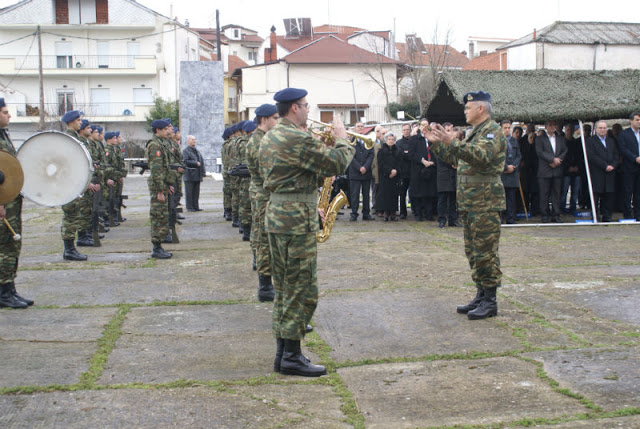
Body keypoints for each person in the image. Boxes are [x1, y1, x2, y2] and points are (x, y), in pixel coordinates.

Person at [259, 87, 354, 377]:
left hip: (280, 213)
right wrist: (342, 140)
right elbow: (336, 162)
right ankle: (291, 356)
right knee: (302, 288)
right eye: (305, 105)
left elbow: (288, 176)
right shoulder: (295, 137)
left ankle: (282, 354)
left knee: (286, 287)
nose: (308, 109)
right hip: (294, 221)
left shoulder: (271, 136)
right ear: (294, 109)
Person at [425, 91, 506, 320]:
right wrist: (439, 145)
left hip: (485, 202)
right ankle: (481, 294)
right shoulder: (476, 132)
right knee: (473, 251)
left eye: (468, 108)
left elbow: (481, 157)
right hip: (471, 203)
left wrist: (453, 142)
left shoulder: (493, 131)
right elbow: (459, 159)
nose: (465, 112)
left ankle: (490, 300)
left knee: (485, 252)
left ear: (481, 109)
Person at [0, 98, 33, 308]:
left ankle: (9, 288)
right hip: (2, 202)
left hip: (10, 200)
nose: (9, 115)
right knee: (4, 246)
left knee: (12, 244)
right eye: (4, 112)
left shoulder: (3, 135)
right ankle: (3, 292)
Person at [246, 103, 278, 302]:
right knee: (264, 239)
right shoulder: (258, 142)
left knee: (262, 237)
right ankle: (265, 286)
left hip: (264, 194)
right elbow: (270, 173)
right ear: (264, 119)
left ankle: (265, 280)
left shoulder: (263, 139)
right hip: (264, 196)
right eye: (275, 118)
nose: (278, 121)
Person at [60, 111, 91, 260]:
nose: (81, 122)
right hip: (69, 183)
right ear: (71, 122)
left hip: (76, 182)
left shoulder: (75, 138)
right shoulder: (67, 139)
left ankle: (71, 248)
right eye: (78, 120)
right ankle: (69, 249)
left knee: (74, 215)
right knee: (70, 216)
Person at [146, 119, 175, 259]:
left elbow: (164, 168)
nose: (167, 131)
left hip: (162, 185)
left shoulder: (160, 144)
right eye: (164, 129)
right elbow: (156, 170)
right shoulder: (155, 146)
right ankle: (156, 248)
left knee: (163, 216)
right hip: (158, 187)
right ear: (157, 130)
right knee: (158, 216)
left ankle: (159, 245)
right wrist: (160, 190)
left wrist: (167, 185)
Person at [586, 121, 619, 222]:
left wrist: (613, 165)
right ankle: (596, 217)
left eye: (604, 128)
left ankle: (607, 216)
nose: (602, 130)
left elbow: (616, 154)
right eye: (600, 128)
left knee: (608, 196)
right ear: (596, 129)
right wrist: (605, 166)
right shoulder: (590, 141)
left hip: (610, 173)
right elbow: (592, 156)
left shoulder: (611, 141)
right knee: (596, 195)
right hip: (597, 172)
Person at [535, 120, 567, 223]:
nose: (552, 127)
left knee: (556, 194)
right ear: (546, 127)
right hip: (545, 170)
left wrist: (558, 160)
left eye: (554, 125)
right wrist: (552, 159)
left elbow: (564, 150)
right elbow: (540, 152)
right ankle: (544, 215)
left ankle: (556, 215)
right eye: (550, 125)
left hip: (557, 170)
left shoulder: (560, 138)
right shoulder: (540, 139)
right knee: (544, 194)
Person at [410, 119, 437, 221]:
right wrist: (422, 161)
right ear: (419, 126)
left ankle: (428, 214)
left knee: (429, 193)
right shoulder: (414, 139)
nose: (425, 126)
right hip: (418, 169)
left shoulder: (432, 139)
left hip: (431, 168)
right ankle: (418, 214)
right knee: (418, 194)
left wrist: (432, 161)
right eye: (423, 125)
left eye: (427, 125)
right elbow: (411, 153)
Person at [347, 122, 374, 221]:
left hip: (366, 172)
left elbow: (371, 155)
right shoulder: (351, 141)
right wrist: (359, 167)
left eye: (362, 126)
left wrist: (365, 167)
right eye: (358, 126)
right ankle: (354, 213)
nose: (360, 128)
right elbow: (350, 156)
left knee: (366, 194)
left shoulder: (369, 140)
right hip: (355, 172)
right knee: (355, 194)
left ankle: (366, 213)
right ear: (355, 129)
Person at [617, 112, 640, 220]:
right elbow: (623, 149)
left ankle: (638, 214)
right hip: (629, 167)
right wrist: (635, 158)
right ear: (631, 121)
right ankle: (627, 214)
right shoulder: (624, 134)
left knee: (638, 193)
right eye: (637, 120)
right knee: (627, 191)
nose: (639, 122)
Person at [377, 131, 402, 221]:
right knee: (385, 195)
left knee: (394, 195)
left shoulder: (398, 151)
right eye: (389, 139)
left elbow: (399, 163)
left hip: (395, 176)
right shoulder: (381, 151)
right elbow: (381, 164)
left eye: (392, 139)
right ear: (385, 140)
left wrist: (395, 171)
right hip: (385, 176)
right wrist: (389, 171)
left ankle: (393, 213)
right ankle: (386, 213)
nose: (391, 141)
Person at [500, 120, 521, 224]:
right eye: (505, 128)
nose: (507, 130)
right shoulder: (497, 141)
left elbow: (518, 155)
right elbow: (496, 157)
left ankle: (510, 217)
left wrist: (514, 166)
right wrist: (505, 167)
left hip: (512, 172)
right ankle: (501, 217)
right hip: (502, 173)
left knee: (511, 197)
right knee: (501, 197)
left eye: (509, 128)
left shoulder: (514, 141)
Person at [561, 124, 584, 214]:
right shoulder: (562, 142)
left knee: (575, 192)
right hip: (566, 171)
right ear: (565, 130)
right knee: (564, 192)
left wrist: (577, 167)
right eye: (568, 130)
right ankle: (562, 208)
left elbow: (580, 156)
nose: (570, 132)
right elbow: (562, 157)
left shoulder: (577, 142)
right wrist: (568, 167)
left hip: (577, 170)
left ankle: (573, 208)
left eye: (571, 130)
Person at [182, 135, 206, 212]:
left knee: (196, 192)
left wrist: (203, 172)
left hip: (197, 175)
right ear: (188, 141)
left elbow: (201, 162)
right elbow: (185, 161)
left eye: (194, 139)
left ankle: (196, 206)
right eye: (192, 139)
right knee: (189, 193)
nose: (194, 141)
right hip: (189, 175)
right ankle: (189, 207)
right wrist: (195, 163)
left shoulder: (197, 151)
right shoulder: (186, 151)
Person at [396, 123, 413, 219]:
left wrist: (407, 153)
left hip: (413, 171)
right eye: (404, 130)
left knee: (414, 192)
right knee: (402, 193)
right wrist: (407, 153)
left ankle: (415, 210)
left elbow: (413, 155)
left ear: (410, 130)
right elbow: (401, 155)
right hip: (403, 172)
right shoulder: (398, 143)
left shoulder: (414, 141)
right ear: (402, 131)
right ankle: (403, 212)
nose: (406, 131)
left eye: (408, 129)